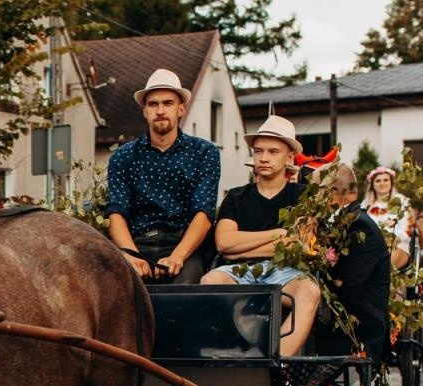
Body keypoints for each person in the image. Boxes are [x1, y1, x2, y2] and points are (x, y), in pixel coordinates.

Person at [201, 116, 321, 356]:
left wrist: (241, 246)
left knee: (310, 291)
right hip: (239, 271)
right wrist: (278, 234)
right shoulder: (236, 197)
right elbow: (224, 243)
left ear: (289, 157)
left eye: (273, 151)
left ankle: (278, 362)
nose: (264, 158)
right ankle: (233, 352)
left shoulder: (303, 197)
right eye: (258, 151)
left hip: (287, 272)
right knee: (210, 282)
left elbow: (297, 246)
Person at [103, 68, 220, 284]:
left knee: (183, 295)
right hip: (138, 242)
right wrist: (131, 255)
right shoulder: (124, 156)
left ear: (181, 109)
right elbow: (117, 212)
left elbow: (204, 213)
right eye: (153, 104)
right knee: (116, 295)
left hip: (184, 245)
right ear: (144, 111)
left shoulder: (203, 152)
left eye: (168, 103)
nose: (160, 110)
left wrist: (178, 256)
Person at [319, 165, 393, 369]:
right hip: (342, 312)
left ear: (337, 192)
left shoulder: (359, 226)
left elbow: (346, 287)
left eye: (317, 191)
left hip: (359, 323)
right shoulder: (340, 221)